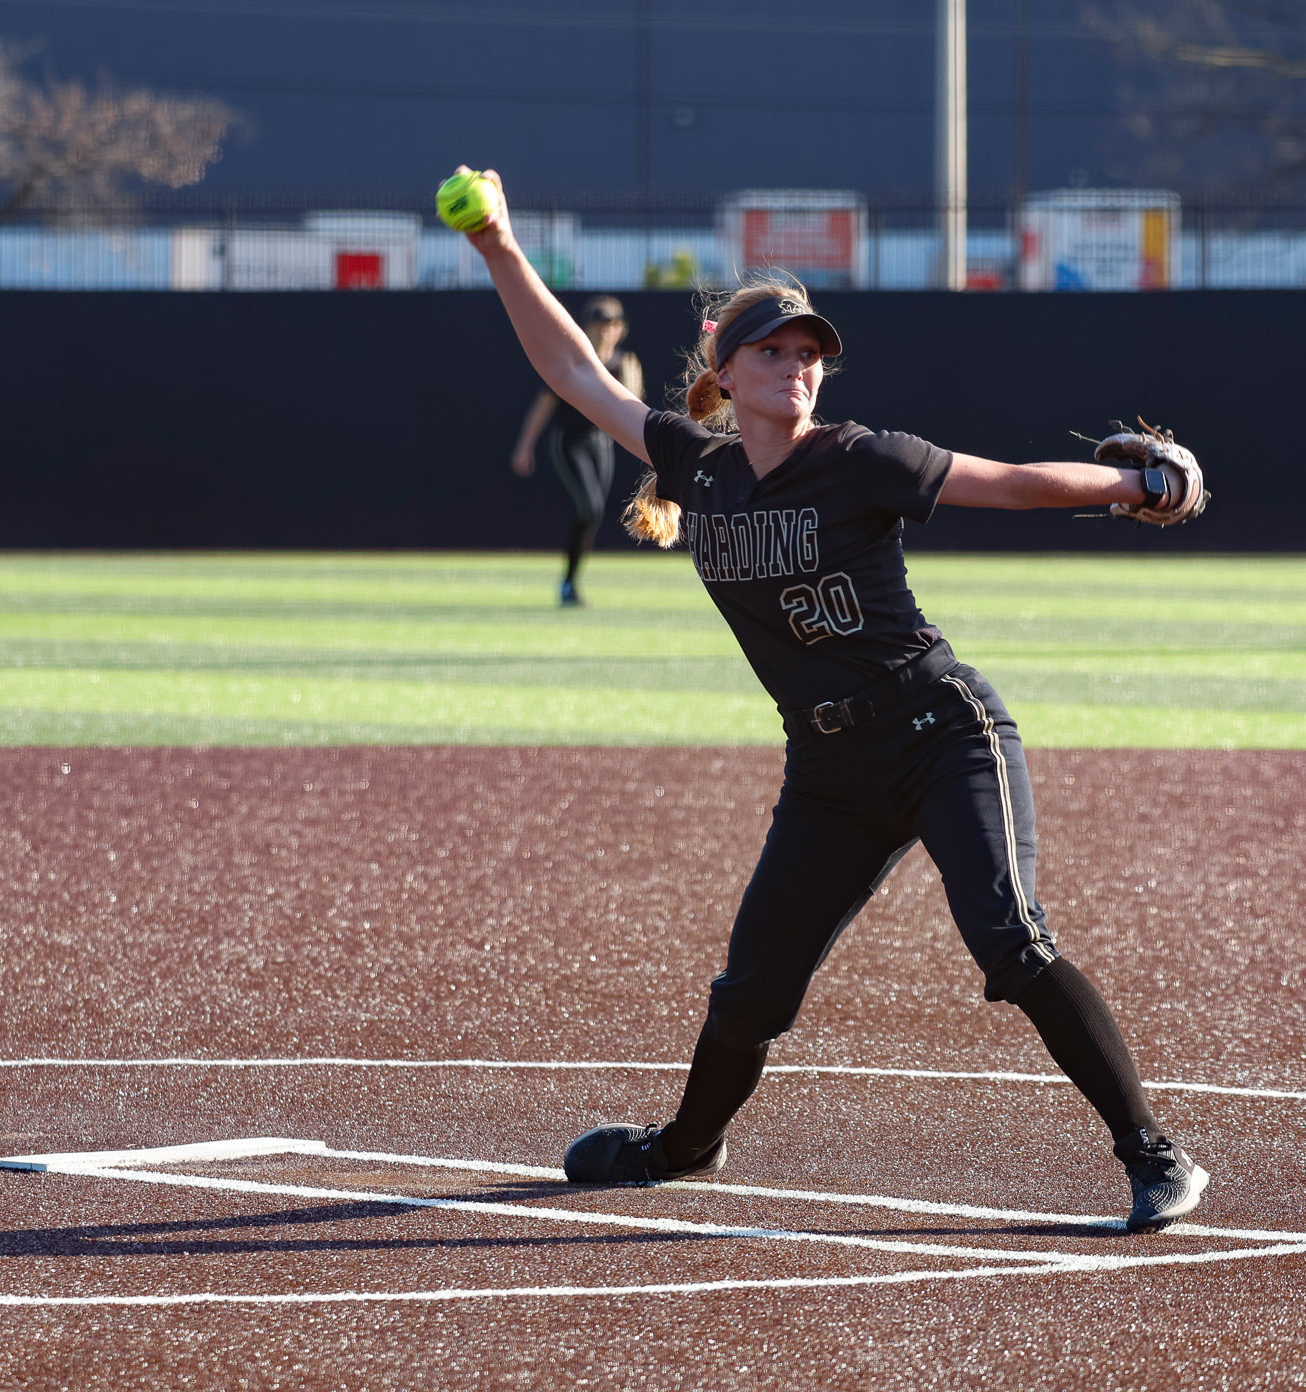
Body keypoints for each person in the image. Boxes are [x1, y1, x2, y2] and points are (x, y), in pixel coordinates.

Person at [453, 166, 1209, 1232]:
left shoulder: (860, 460)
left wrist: (1137, 485)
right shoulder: (695, 463)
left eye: (810, 354)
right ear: (725, 365)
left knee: (1008, 937)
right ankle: (684, 1146)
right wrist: (497, 244)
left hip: (941, 733)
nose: (798, 368)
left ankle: (1154, 1155)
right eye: (774, 350)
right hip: (828, 772)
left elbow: (1008, 482)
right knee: (752, 988)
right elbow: (577, 375)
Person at [510, 295, 645, 606]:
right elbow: (543, 406)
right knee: (590, 508)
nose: (606, 330)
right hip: (571, 442)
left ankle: (571, 583)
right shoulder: (575, 363)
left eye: (612, 324)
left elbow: (631, 409)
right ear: (587, 327)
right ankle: (568, 583)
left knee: (592, 515)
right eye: (600, 324)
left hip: (602, 444)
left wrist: (633, 390)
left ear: (621, 329)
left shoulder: (623, 363)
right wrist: (525, 446)